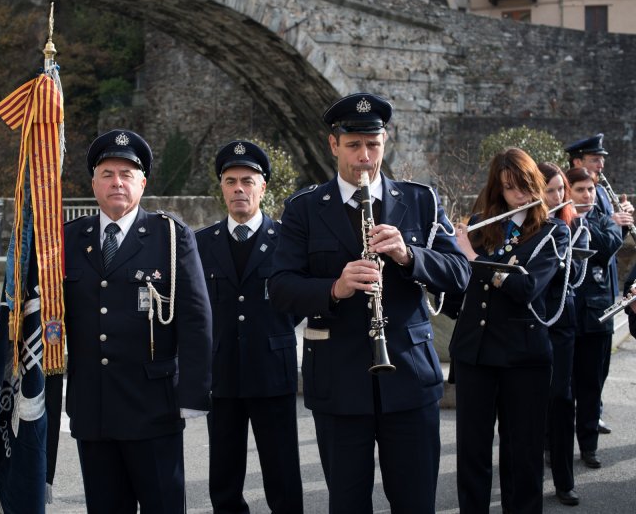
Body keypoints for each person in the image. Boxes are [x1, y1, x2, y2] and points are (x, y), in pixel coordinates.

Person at [268, 92, 471, 512]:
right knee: (347, 503)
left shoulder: (420, 200)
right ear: (333, 145)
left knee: (415, 502)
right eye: (353, 145)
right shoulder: (304, 209)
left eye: (373, 145)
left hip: (410, 380)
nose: (364, 157)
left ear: (385, 142)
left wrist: (409, 256)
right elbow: (281, 288)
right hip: (338, 382)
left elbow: (460, 275)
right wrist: (334, 288)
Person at [63, 129, 213, 514]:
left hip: (153, 409)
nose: (117, 182)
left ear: (142, 183)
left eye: (126, 174)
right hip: (93, 407)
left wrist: (193, 397)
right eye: (108, 173)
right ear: (93, 182)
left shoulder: (170, 236)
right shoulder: (68, 239)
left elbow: (196, 319)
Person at [450, 148, 569, 514]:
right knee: (472, 451)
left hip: (523, 356)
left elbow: (526, 289)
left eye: (523, 185)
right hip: (476, 352)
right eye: (508, 188)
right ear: (497, 189)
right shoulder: (481, 225)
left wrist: (472, 258)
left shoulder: (553, 232)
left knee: (522, 455)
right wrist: (449, 254)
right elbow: (460, 288)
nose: (517, 194)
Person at [195, 140, 303, 514]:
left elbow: (297, 302)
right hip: (222, 373)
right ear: (221, 188)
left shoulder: (287, 240)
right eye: (230, 181)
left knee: (283, 471)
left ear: (263, 187)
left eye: (247, 180)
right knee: (223, 474)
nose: (239, 188)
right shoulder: (201, 243)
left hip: (272, 370)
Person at [565, 133, 633, 435]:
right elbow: (600, 243)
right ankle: (570, 429)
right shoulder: (569, 193)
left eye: (601, 159)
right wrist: (613, 226)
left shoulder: (601, 192)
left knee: (596, 370)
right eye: (595, 159)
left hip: (603, 291)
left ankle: (592, 418)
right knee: (572, 374)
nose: (601, 164)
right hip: (581, 292)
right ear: (577, 161)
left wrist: (621, 218)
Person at [565, 166, 622, 470]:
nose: (587, 196)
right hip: (565, 317)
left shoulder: (603, 221)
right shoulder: (559, 220)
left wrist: (579, 220)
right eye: (580, 190)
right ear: (567, 192)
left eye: (590, 190)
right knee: (560, 389)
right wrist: (570, 219)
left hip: (597, 318)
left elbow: (606, 247)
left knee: (590, 386)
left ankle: (589, 446)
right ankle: (553, 445)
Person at [537, 162, 583, 506]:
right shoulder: (524, 225)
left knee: (561, 399)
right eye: (549, 189)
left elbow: (578, 270)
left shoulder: (572, 223)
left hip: (561, 321)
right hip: (529, 320)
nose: (556, 196)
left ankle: (565, 480)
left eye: (559, 189)